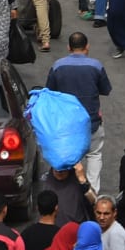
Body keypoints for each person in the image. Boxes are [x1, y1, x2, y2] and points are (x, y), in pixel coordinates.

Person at [47, 34, 112, 192]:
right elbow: (106, 90)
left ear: (69, 47)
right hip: (92, 122)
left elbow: (50, 92)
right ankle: (93, 193)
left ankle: (66, 192)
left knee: (67, 157)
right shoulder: (96, 66)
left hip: (66, 125)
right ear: (87, 46)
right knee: (94, 154)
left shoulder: (57, 66)